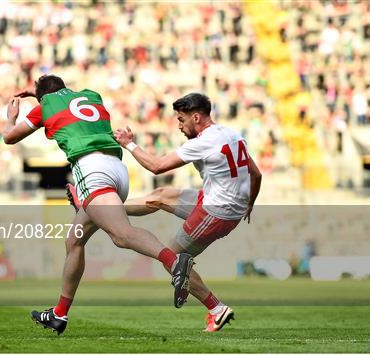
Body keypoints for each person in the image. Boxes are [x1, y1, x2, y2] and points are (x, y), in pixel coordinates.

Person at [3, 74, 193, 335]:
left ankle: (174, 262)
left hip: (91, 169)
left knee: (122, 235)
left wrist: (12, 116)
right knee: (74, 241)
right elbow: (65, 102)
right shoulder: (92, 95)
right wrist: (42, 94)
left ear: (41, 96)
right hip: (117, 168)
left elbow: (9, 138)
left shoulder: (44, 106)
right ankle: (59, 315)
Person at [66, 92, 262, 331]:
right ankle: (96, 206)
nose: (179, 126)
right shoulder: (232, 135)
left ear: (197, 117)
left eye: (181, 120)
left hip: (216, 211)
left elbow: (156, 166)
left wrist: (129, 143)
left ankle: (216, 308)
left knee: (171, 257)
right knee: (160, 196)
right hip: (216, 201)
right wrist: (249, 203)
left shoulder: (202, 142)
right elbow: (256, 173)